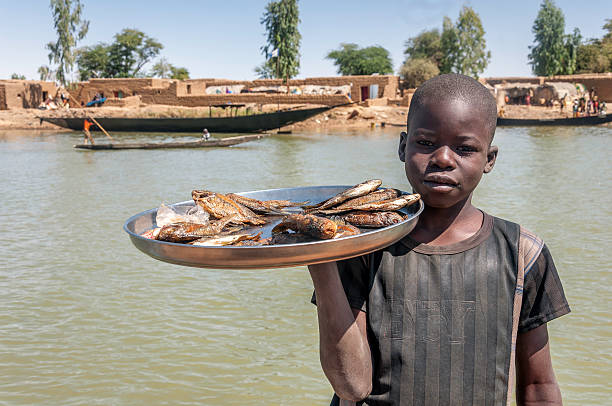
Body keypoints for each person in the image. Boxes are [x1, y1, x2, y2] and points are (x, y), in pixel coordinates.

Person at [308, 74, 570, 406]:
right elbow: (352, 386)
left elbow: (538, 385)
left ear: (489, 159)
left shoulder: (522, 254)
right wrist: (320, 259)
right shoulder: (362, 247)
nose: (443, 159)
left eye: (465, 148)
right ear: (403, 146)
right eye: (426, 143)